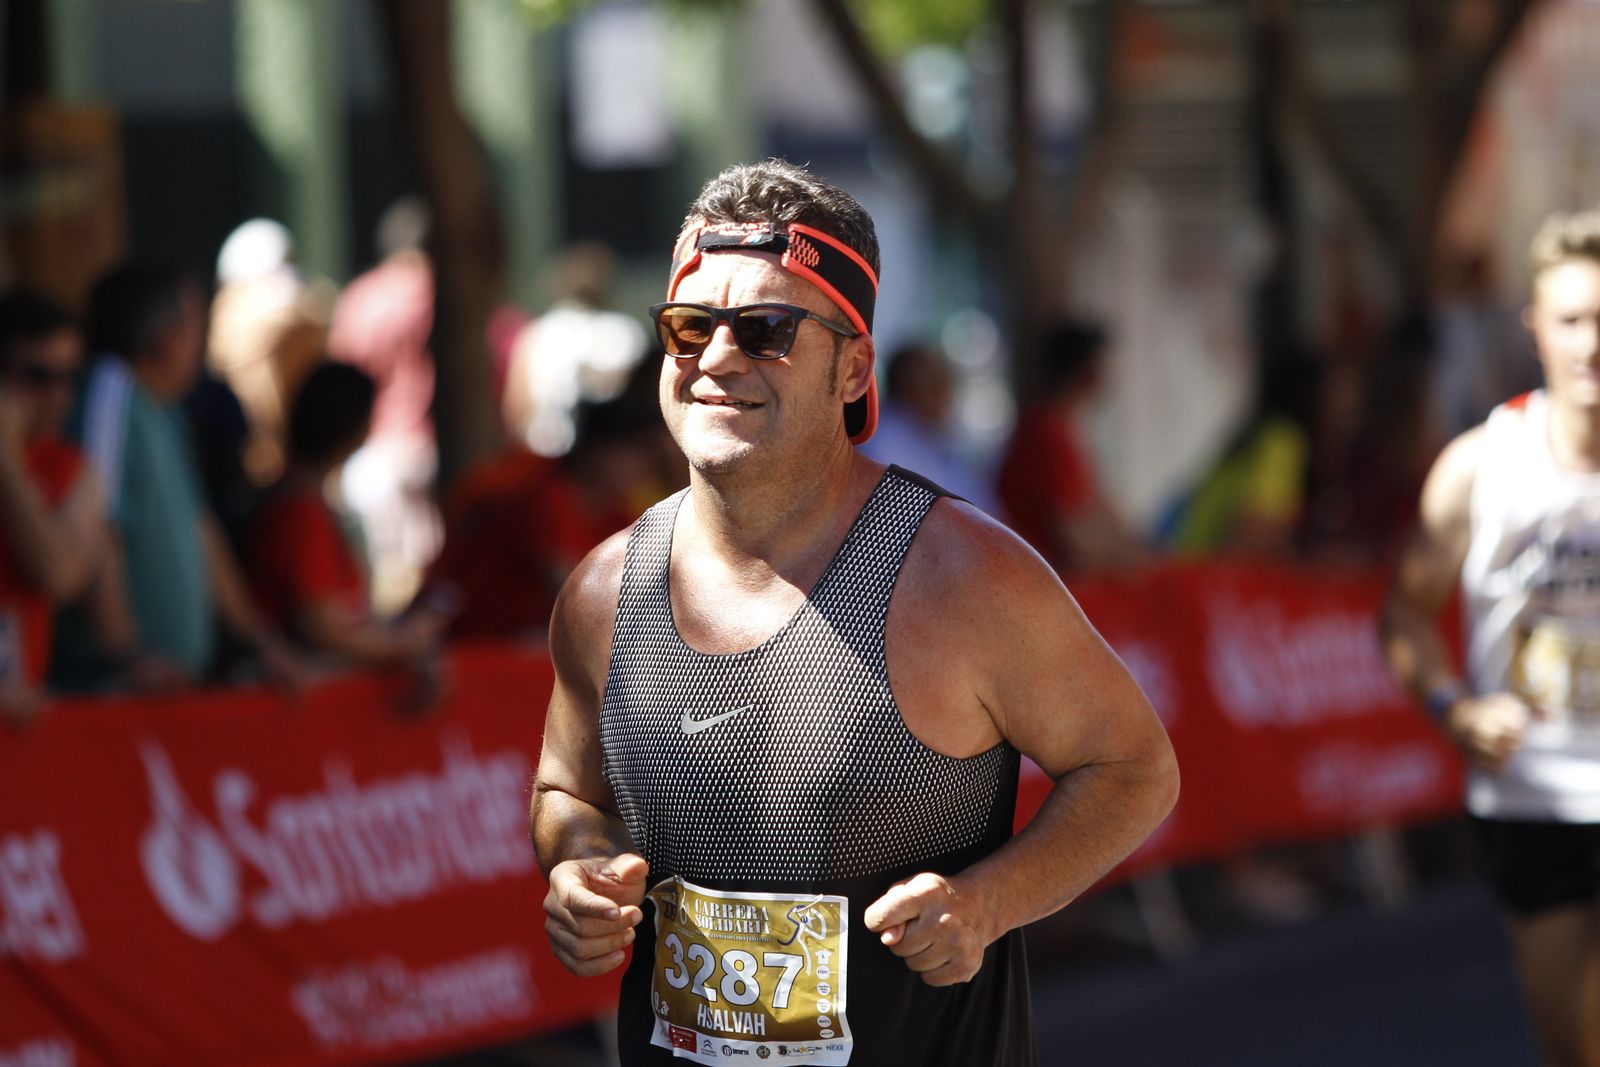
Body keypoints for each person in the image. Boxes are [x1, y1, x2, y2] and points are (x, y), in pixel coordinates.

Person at [531, 160, 1178, 1066]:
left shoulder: (961, 578)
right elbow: (566, 790)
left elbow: (1134, 767)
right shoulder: (606, 591)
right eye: (689, 327)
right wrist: (577, 869)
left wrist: (986, 903)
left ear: (853, 367)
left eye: (765, 329)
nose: (718, 359)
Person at [1382, 209, 1600, 1067]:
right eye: (1574, 319)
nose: (1592, 343)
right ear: (1535, 327)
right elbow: (1403, 614)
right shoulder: (1482, 464)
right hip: (1533, 796)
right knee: (1569, 1039)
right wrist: (1454, 709)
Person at [51, 264, 300, 692]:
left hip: (167, 689)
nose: (197, 345)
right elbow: (96, 531)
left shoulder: (162, 409)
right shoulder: (111, 393)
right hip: (116, 691)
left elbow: (201, 531)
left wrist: (259, 640)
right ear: (165, 338)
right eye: (194, 327)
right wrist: (127, 655)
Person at [245, 362, 445, 669]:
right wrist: (402, 645)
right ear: (355, 428)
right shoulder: (301, 512)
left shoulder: (303, 502)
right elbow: (324, 629)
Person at [0, 293, 104, 725]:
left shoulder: (70, 466)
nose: (58, 394)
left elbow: (60, 574)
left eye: (70, 376)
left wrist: (4, 456)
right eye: (39, 376)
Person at [995, 320, 1146, 574]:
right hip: (1041, 586)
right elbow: (1074, 538)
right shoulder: (1046, 433)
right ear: (1089, 371)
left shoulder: (1059, 428)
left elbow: (1100, 511)